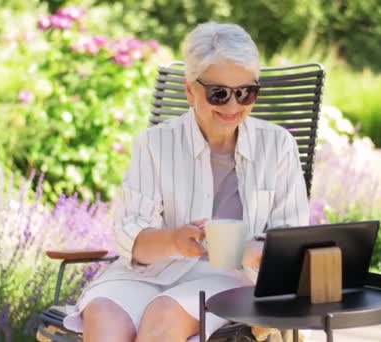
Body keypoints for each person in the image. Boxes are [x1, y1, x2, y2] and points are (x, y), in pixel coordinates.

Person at [64, 22, 309, 342]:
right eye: (218, 94)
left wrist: (247, 250)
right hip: (149, 273)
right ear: (190, 90)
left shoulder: (277, 146)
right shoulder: (154, 144)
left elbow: (291, 241)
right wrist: (175, 241)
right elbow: (129, 233)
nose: (233, 107)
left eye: (246, 93)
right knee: (103, 316)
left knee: (164, 314)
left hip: (231, 279)